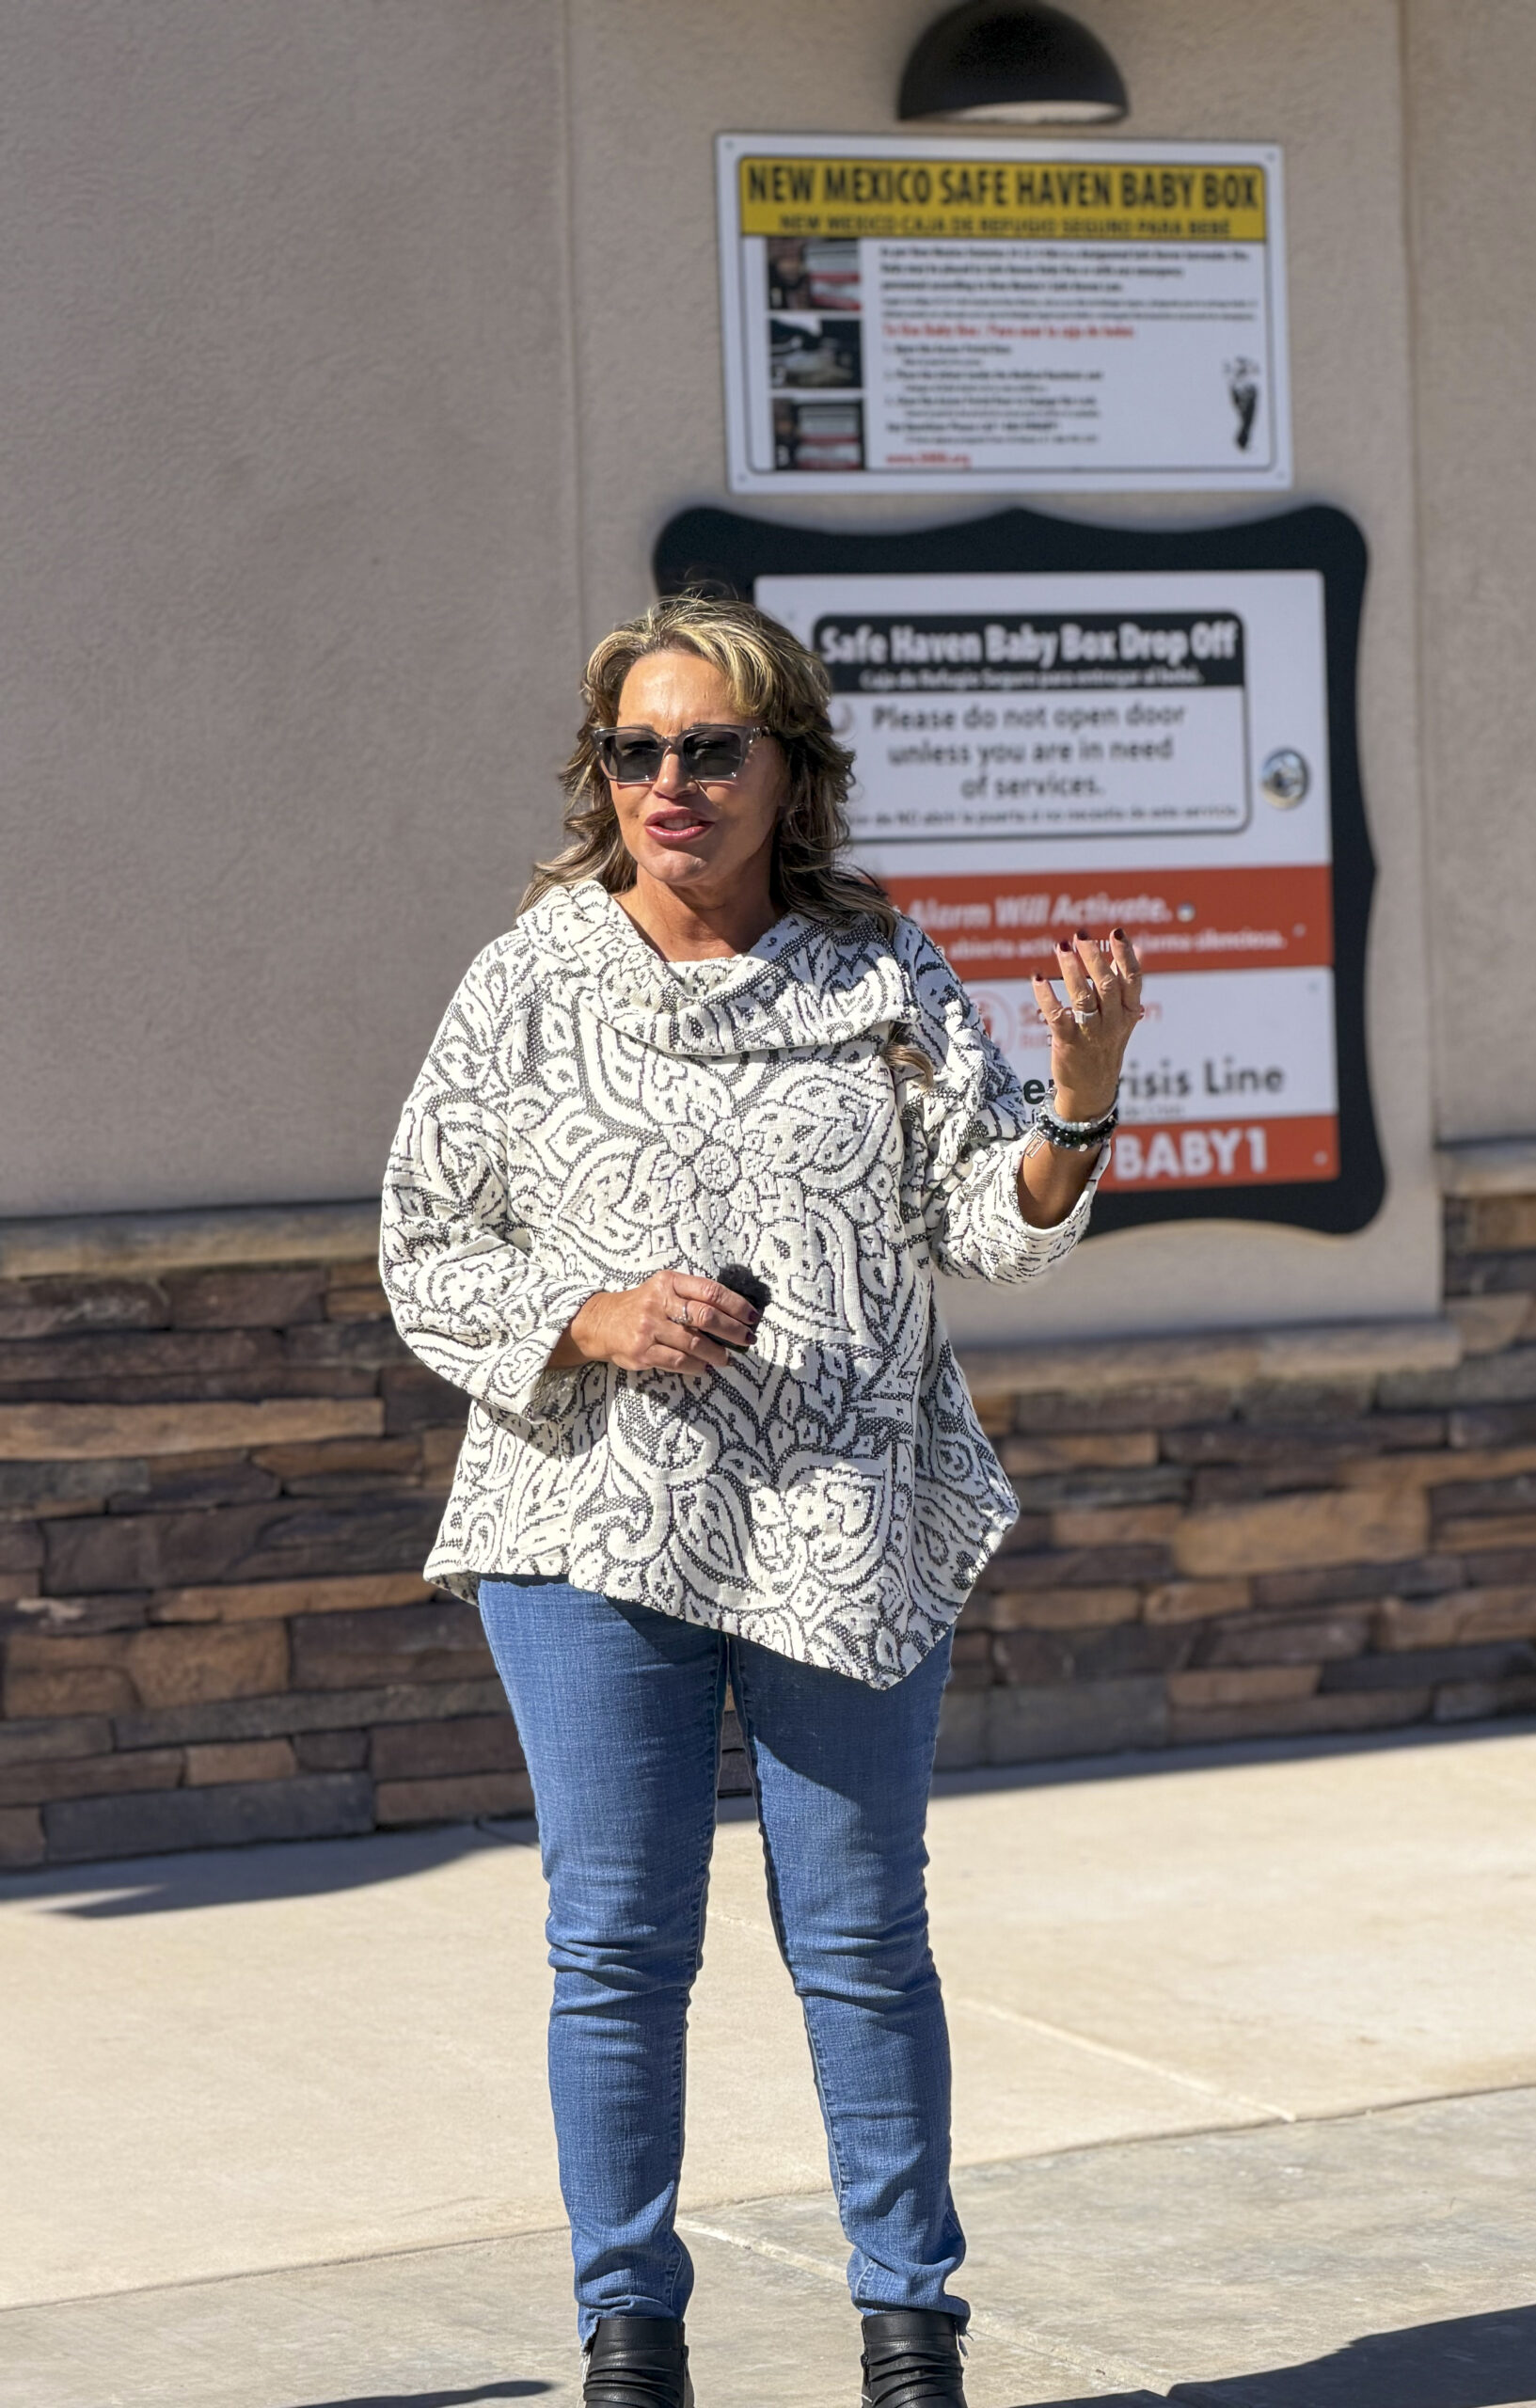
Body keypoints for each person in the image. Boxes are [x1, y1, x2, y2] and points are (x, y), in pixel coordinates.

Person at [381, 594, 1143, 2408]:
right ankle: (630, 2334)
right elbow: (423, 1245)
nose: (670, 783)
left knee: (865, 1939)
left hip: (845, 1517)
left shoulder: (882, 970)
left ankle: (909, 2330)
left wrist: (1084, 1102)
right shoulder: (533, 980)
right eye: (636, 751)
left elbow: (984, 1228)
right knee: (618, 1944)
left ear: (786, 767)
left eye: (710, 748)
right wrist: (592, 1311)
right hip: (590, 1525)